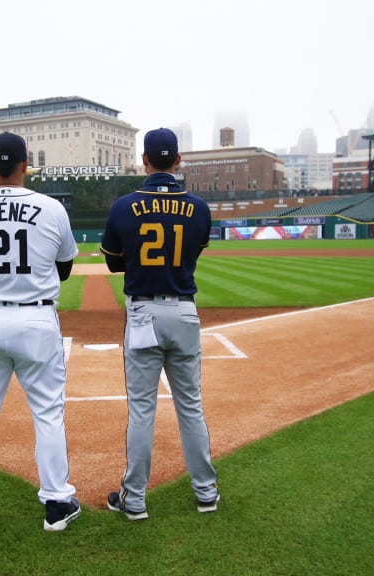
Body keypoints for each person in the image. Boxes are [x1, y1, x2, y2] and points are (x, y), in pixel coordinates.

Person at [0, 131, 81, 533]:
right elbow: (64, 266)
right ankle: (57, 503)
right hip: (37, 320)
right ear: (27, 164)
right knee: (48, 415)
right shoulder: (52, 207)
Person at [100, 128, 219, 520]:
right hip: (184, 311)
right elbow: (193, 254)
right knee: (191, 406)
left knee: (141, 410)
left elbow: (115, 262)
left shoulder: (123, 207)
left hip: (143, 313)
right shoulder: (199, 208)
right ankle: (207, 493)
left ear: (145, 160)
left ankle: (134, 500)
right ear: (178, 161)